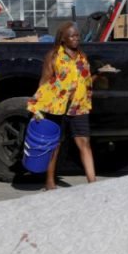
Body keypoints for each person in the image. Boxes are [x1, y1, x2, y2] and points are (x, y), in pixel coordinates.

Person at [27, 21, 98, 191]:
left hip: (79, 106)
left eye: (77, 36)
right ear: (63, 39)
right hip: (57, 106)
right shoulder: (53, 56)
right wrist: (36, 104)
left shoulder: (82, 56)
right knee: (55, 144)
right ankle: (50, 182)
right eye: (72, 36)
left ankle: (93, 182)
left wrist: (100, 75)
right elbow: (45, 81)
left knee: (84, 143)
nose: (76, 39)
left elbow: (84, 81)